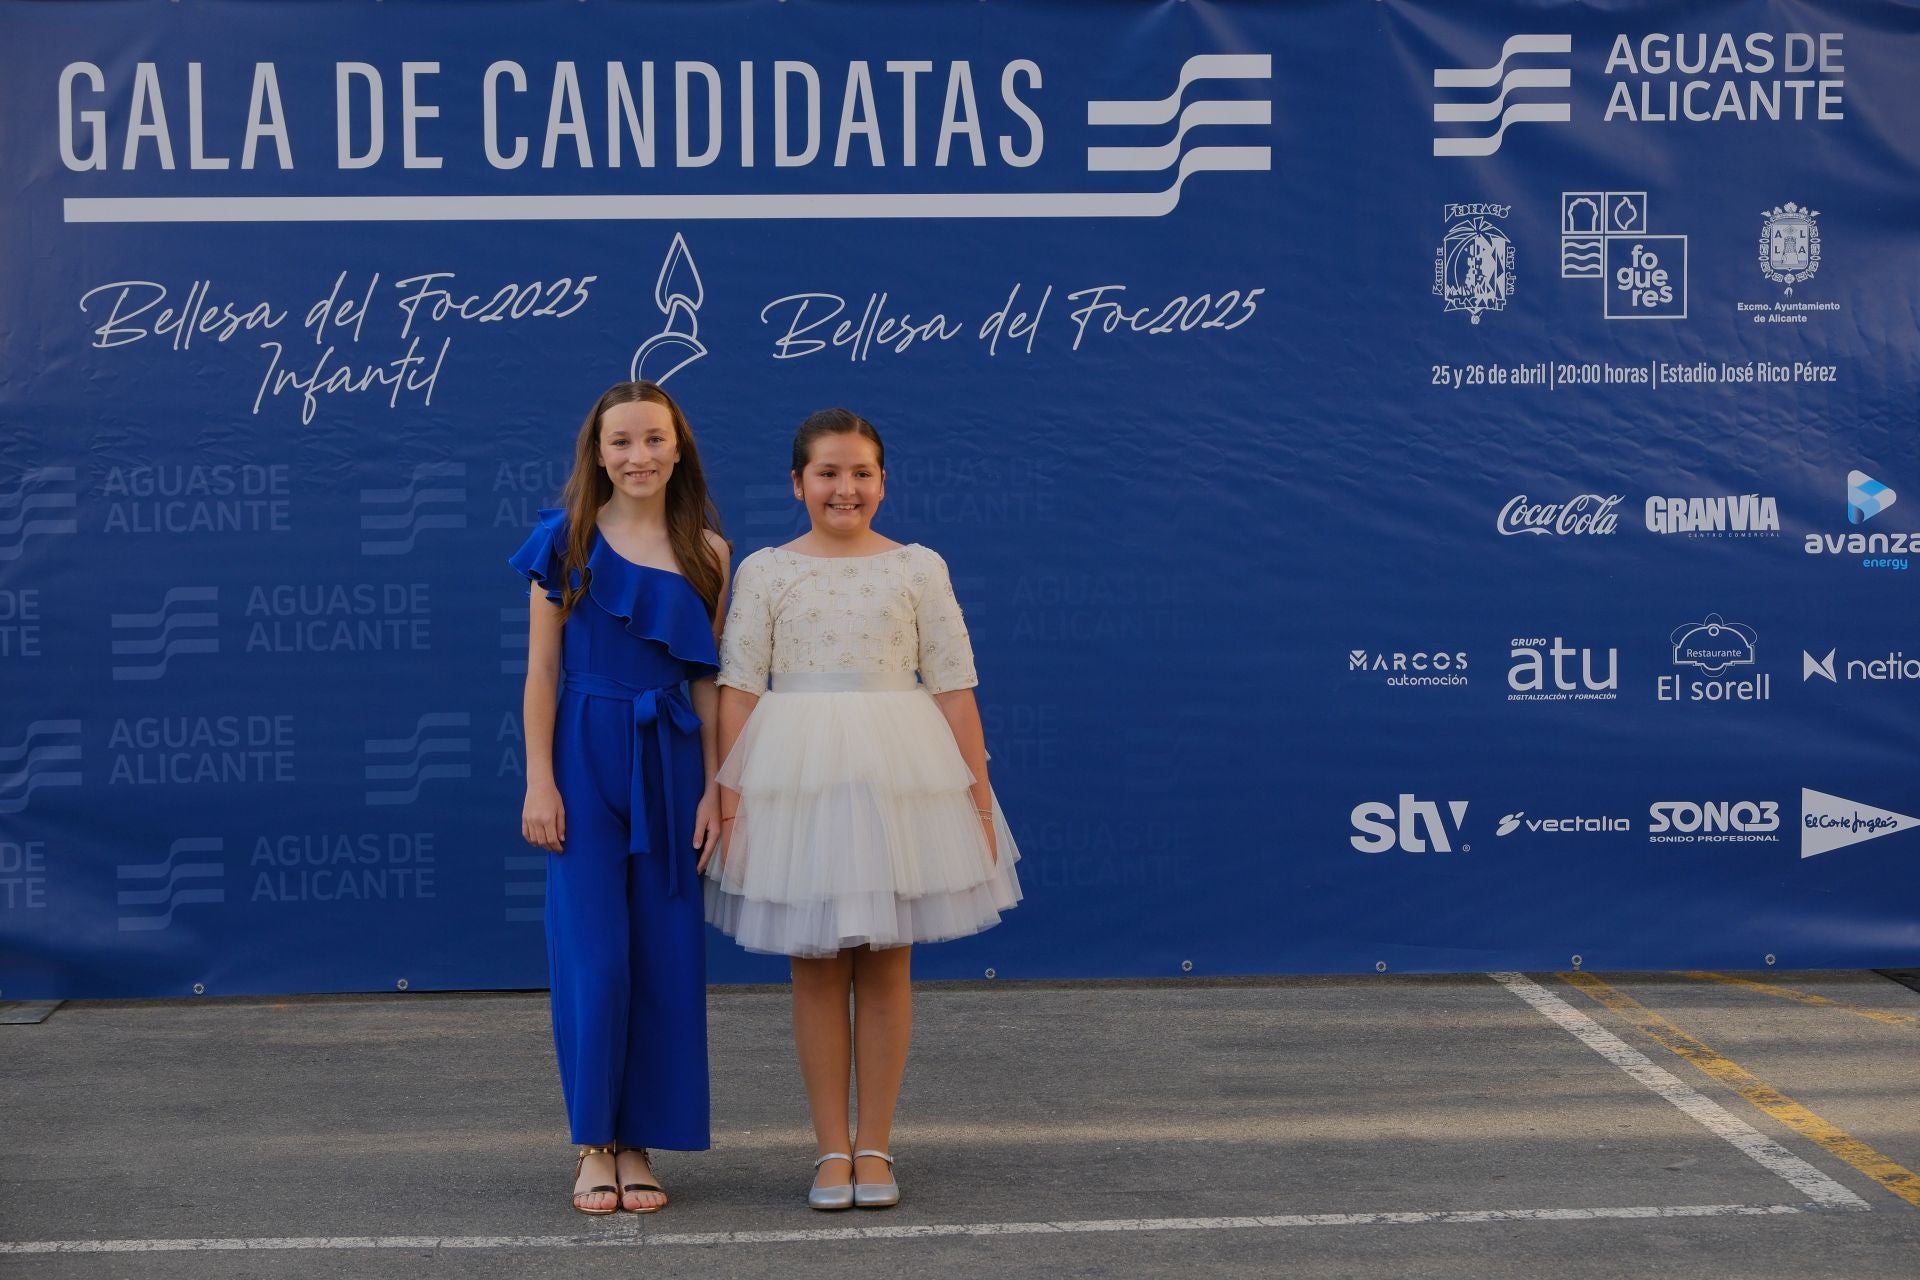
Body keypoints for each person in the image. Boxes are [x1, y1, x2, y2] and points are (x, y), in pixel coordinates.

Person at [702, 407, 1022, 1210]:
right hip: (796, 781)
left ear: (883, 480)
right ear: (798, 483)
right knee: (813, 964)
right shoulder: (767, 571)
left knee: (886, 964)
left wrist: (976, 798)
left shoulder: (919, 567)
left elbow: (953, 687)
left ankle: (874, 1145)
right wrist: (728, 796)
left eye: (861, 473)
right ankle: (828, 1152)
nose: (845, 488)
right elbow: (739, 689)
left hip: (896, 777)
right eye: (828, 473)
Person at [510, 380, 729, 1215]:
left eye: (654, 440)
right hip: (584, 752)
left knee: (664, 958)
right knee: (595, 958)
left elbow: (708, 681)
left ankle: (638, 1144)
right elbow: (539, 672)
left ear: (679, 449)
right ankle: (592, 1142)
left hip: (671, 758)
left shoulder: (709, 551)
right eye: (622, 442)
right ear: (597, 454)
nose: (639, 456)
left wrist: (716, 786)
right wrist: (540, 777)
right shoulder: (562, 542)